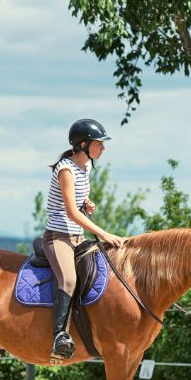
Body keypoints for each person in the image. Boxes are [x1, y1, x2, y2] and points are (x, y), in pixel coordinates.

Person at [44, 118, 124, 364]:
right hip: (58, 237)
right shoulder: (66, 169)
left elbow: (78, 203)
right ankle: (59, 337)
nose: (103, 148)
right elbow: (70, 212)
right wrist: (102, 233)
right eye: (99, 143)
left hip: (77, 237)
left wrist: (86, 204)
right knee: (69, 279)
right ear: (82, 144)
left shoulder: (86, 167)